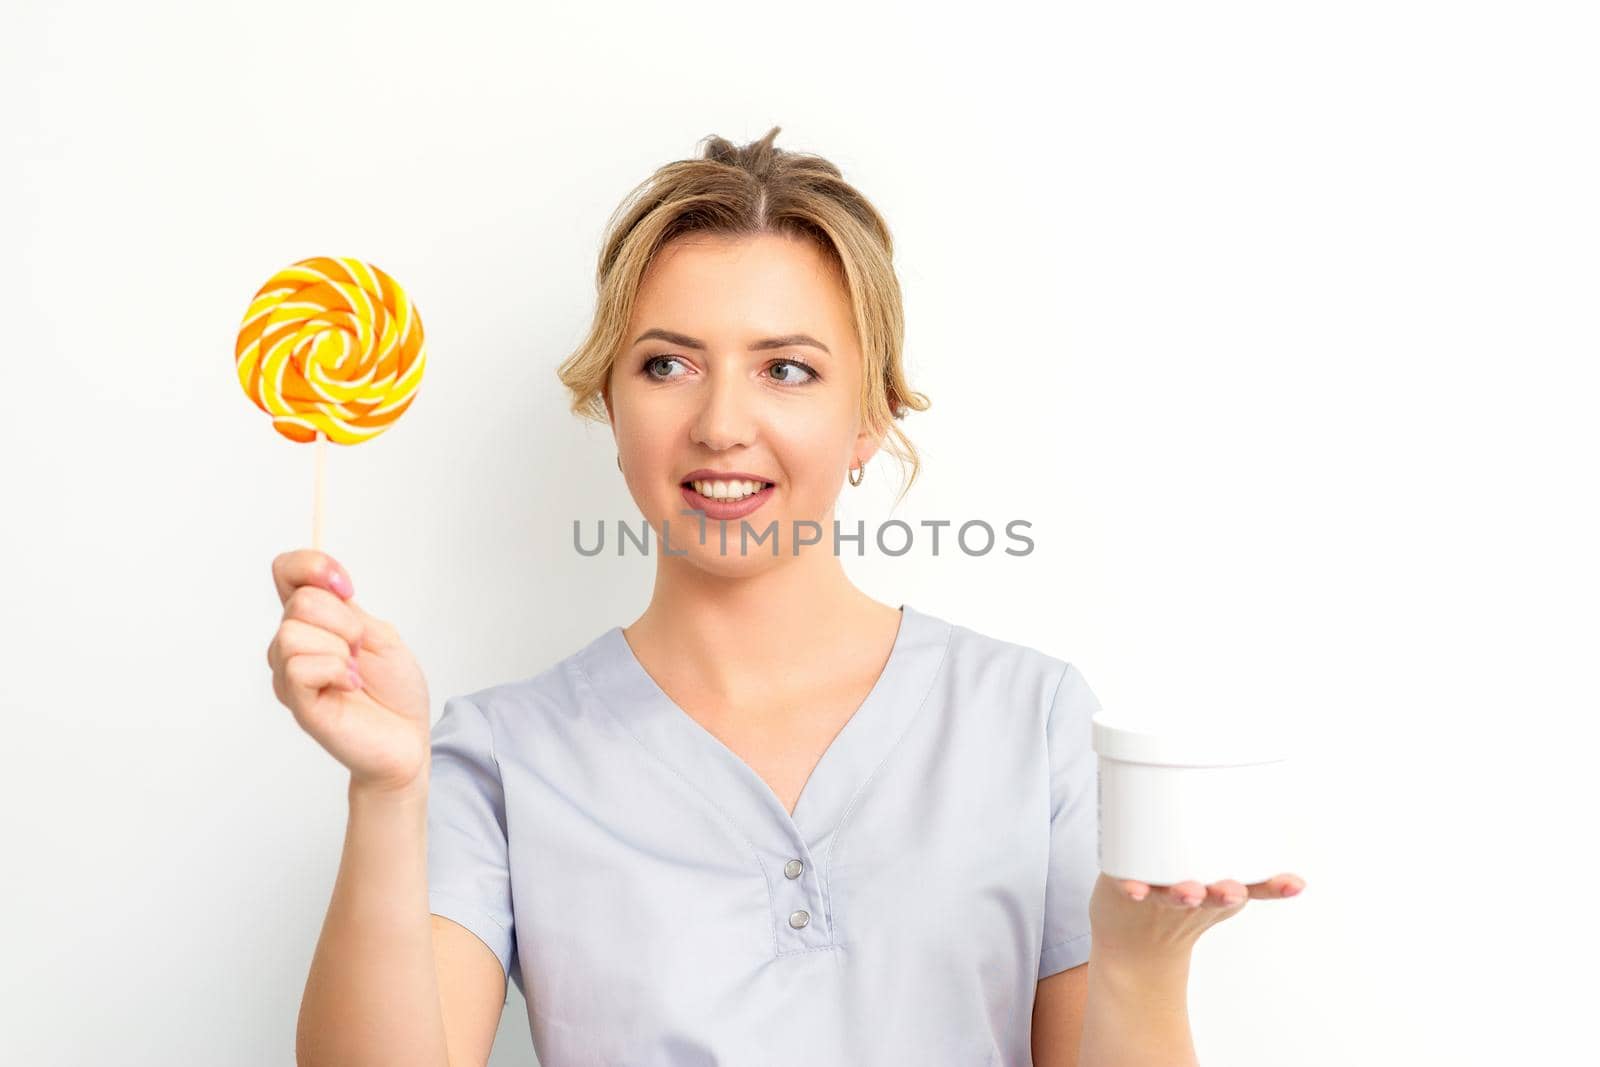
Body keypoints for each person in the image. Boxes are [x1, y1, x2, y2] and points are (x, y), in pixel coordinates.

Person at [273, 127, 1307, 1067]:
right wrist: (386, 791)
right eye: (668, 362)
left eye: (787, 369)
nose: (723, 422)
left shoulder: (1030, 721)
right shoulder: (495, 756)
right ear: (610, 402)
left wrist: (1140, 960)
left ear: (871, 416)